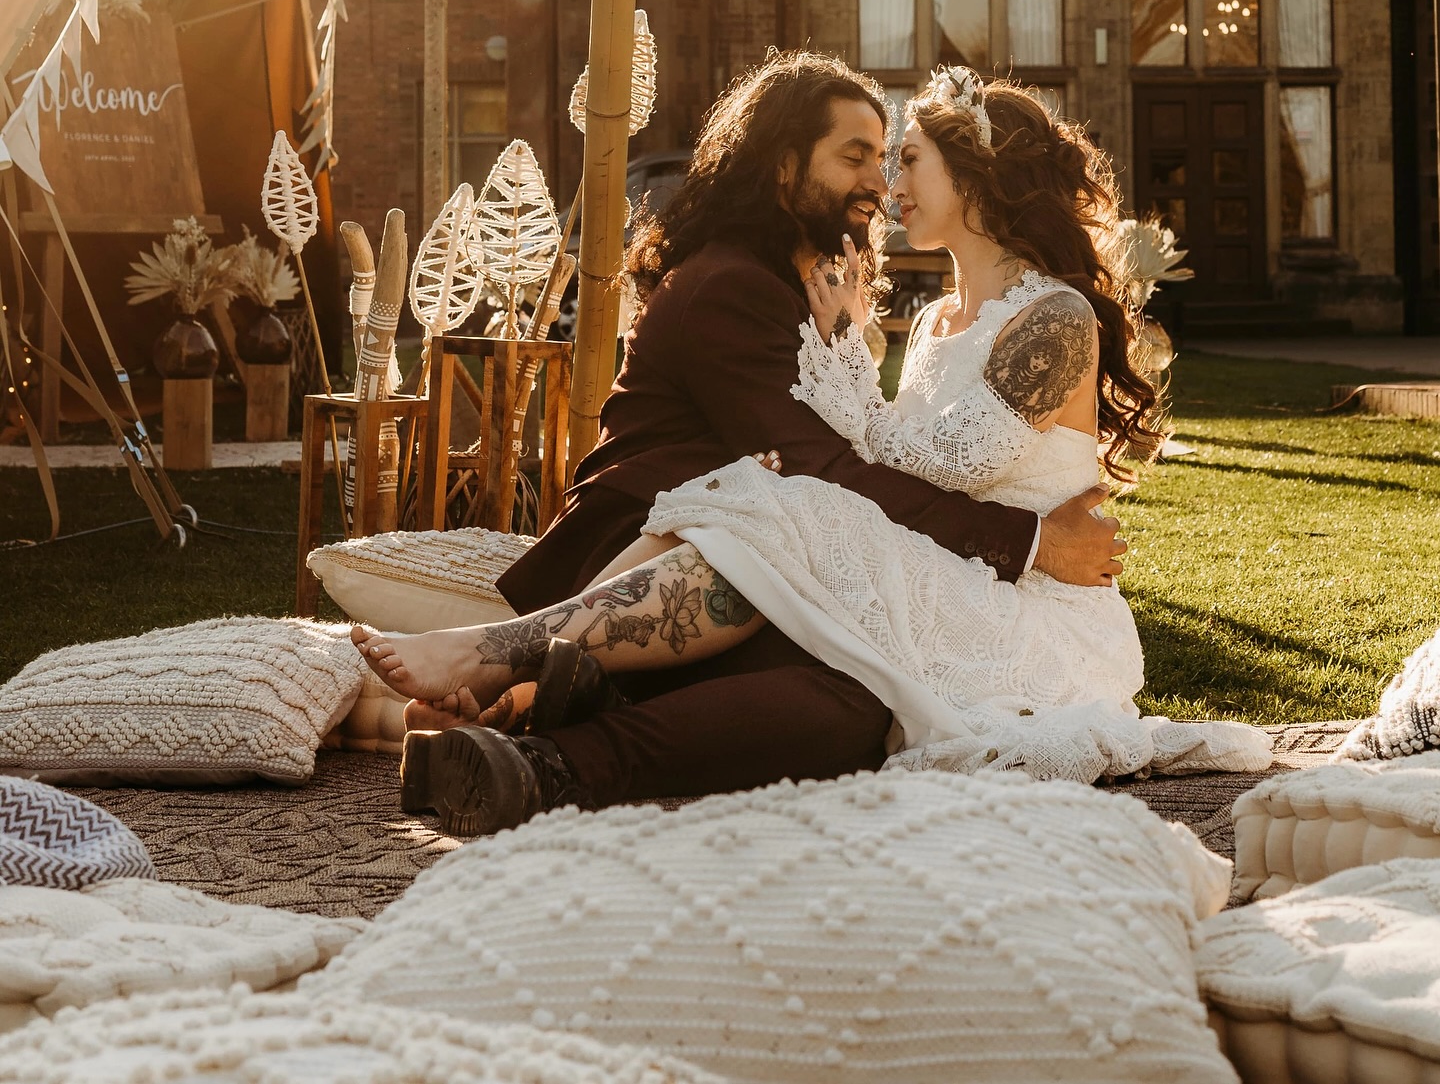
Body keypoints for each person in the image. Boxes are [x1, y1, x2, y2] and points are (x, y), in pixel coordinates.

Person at [354, 53, 1129, 835]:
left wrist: (846, 347)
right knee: (789, 524)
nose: (883, 182)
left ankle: (535, 752)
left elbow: (864, 459)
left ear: (976, 174)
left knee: (854, 700)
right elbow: (827, 464)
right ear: (787, 167)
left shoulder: (898, 299)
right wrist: (1030, 539)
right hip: (658, 546)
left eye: (899, 157)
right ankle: (515, 670)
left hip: (931, 577)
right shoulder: (737, 286)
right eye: (858, 156)